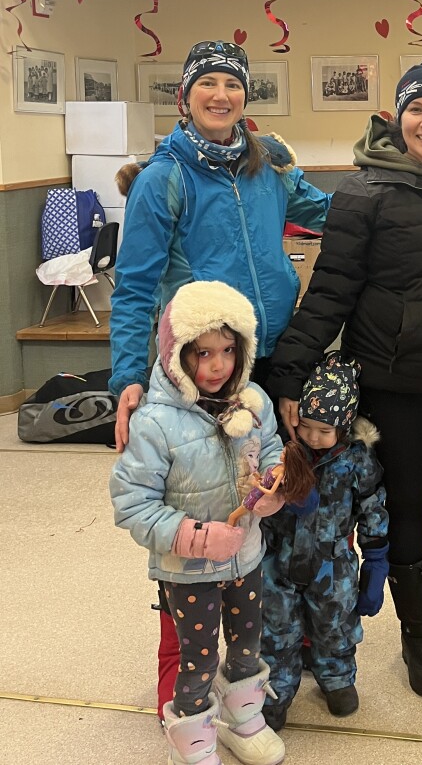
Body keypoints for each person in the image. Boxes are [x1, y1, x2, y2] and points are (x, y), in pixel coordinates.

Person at [266, 62, 422, 699]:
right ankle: (420, 640)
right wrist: (290, 371)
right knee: (404, 515)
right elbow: (330, 293)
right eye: (416, 110)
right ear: (396, 119)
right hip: (394, 384)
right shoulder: (363, 193)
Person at [108, 39, 332, 716]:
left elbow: (327, 214)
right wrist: (127, 377)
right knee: (196, 526)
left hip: (264, 362)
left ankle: (263, 663)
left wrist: (374, 168)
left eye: (231, 85)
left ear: (244, 97)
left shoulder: (267, 166)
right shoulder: (164, 177)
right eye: (206, 83)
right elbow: (134, 287)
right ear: (185, 95)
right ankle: (180, 678)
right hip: (198, 374)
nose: (220, 95)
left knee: (262, 508)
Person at [110, 281, 305, 765]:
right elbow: (132, 504)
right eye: (203, 354)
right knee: (197, 659)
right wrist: (197, 537)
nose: (218, 366)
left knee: (246, 645)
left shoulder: (254, 401)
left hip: (248, 557)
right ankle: (193, 739)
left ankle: (244, 718)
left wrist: (272, 490)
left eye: (227, 351)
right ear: (177, 354)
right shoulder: (155, 423)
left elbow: (273, 454)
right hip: (187, 572)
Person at [259, 352, 389, 724]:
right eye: (307, 426)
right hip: (278, 562)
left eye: (325, 430)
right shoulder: (285, 453)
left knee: (335, 627)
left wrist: (376, 558)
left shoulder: (356, 461)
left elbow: (372, 507)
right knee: (276, 633)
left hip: (332, 565)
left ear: (345, 428)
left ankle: (336, 679)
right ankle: (275, 695)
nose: (313, 437)